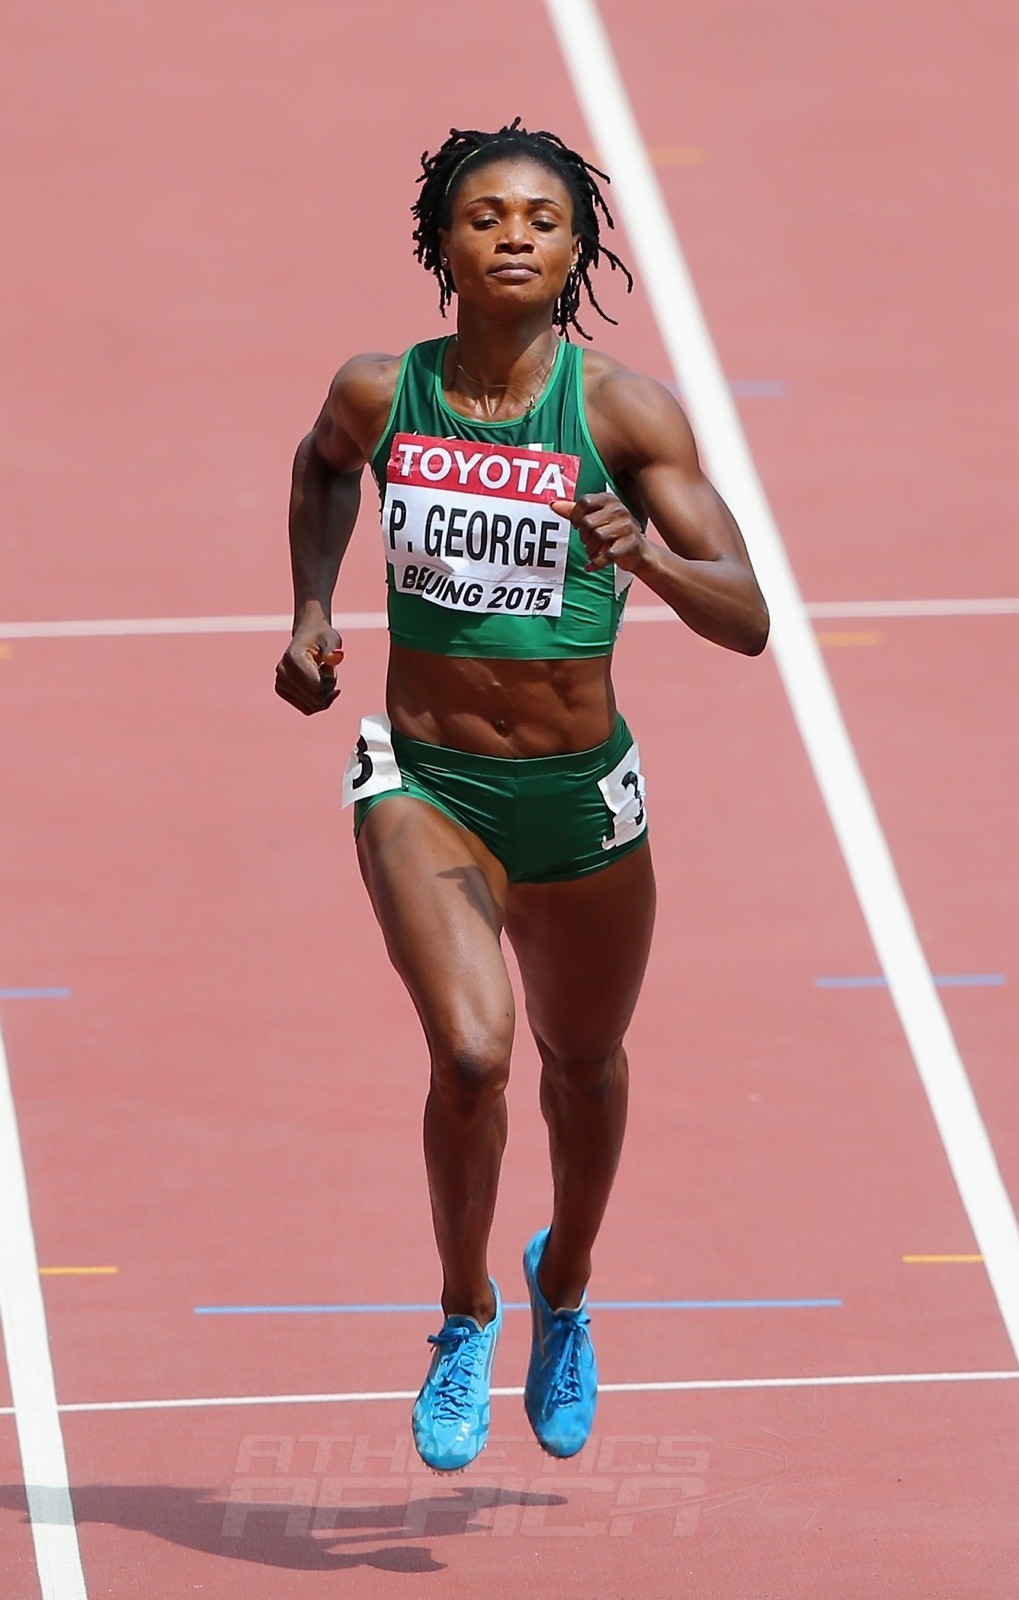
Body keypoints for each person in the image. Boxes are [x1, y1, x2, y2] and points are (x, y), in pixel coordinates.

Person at [275, 120, 769, 1474]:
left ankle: (565, 1287)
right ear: (440, 240)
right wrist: (315, 606)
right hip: (424, 783)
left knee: (584, 1071)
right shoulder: (385, 394)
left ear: (575, 252)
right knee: (475, 1055)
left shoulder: (621, 414)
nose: (511, 234)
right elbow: (322, 466)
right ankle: (464, 1314)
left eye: (541, 219)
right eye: (484, 214)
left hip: (578, 800)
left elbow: (752, 618)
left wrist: (647, 560)